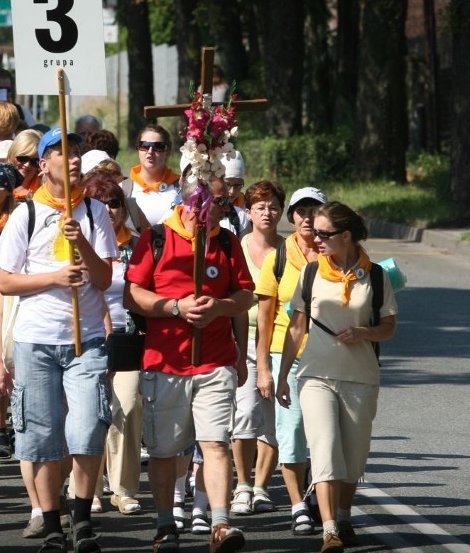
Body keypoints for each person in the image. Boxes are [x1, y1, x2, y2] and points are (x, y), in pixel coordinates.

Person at [0, 127, 118, 553]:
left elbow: (104, 279)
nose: (75, 158)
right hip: (36, 341)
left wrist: (80, 238)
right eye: (62, 152)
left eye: (77, 151)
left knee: (87, 431)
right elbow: (5, 282)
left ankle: (82, 519)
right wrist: (54, 277)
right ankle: (50, 526)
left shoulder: (96, 212)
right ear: (43, 164)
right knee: (42, 439)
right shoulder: (25, 214)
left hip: (87, 342)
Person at [124, 162, 253, 553]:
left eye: (223, 200)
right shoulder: (156, 238)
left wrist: (220, 307)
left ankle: (220, 524)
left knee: (215, 444)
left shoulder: (228, 243)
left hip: (215, 361)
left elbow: (246, 295)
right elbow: (133, 294)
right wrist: (174, 307)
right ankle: (166, 524)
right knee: (165, 451)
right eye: (212, 200)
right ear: (189, 198)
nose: (219, 207)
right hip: (165, 362)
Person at [276, 201, 398, 553]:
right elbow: (297, 327)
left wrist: (364, 333)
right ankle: (329, 530)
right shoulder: (311, 273)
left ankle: (343, 515)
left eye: (324, 233)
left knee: (354, 458)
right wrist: (283, 374)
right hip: (316, 375)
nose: (316, 239)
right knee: (326, 450)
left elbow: (388, 326)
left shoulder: (376, 275)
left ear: (346, 236)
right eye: (314, 232)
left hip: (360, 378)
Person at [255, 186, 328, 537]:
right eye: (301, 211)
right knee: (293, 432)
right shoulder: (278, 258)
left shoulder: (337, 253)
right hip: (289, 358)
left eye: (314, 210)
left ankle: (321, 498)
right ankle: (298, 503)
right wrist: (265, 368)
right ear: (292, 217)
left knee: (326, 436)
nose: (308, 218)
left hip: (332, 358)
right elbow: (265, 318)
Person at [81, 172, 143, 517]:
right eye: (101, 203)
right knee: (90, 415)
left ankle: (123, 489)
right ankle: (88, 489)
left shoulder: (140, 244)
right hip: (89, 336)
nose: (109, 209)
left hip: (130, 338)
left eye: (115, 202)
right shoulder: (78, 244)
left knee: (128, 407)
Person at [227, 181, 286, 519]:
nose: (267, 212)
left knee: (274, 418)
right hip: (242, 339)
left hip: (279, 340)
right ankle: (242, 486)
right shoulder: (236, 246)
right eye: (260, 206)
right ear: (247, 211)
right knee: (246, 413)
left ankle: (262, 487)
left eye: (274, 205)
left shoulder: (290, 249)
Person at [122, 125, 180, 225]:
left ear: (168, 151)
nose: (150, 152)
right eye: (144, 145)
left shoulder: (181, 188)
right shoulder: (123, 189)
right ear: (138, 149)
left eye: (158, 147)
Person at [6, 129, 42, 201]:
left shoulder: (44, 189)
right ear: (13, 154)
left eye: (35, 161)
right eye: (23, 158)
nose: (27, 165)